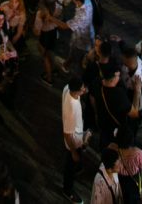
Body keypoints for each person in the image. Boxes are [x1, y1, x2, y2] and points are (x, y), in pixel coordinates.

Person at [62, 71, 90, 203]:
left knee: (75, 162)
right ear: (76, 91)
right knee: (70, 167)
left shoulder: (67, 88)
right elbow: (67, 133)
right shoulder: (71, 108)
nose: (84, 89)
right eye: (82, 89)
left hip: (78, 135)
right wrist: (73, 152)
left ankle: (77, 165)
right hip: (73, 143)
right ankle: (67, 190)